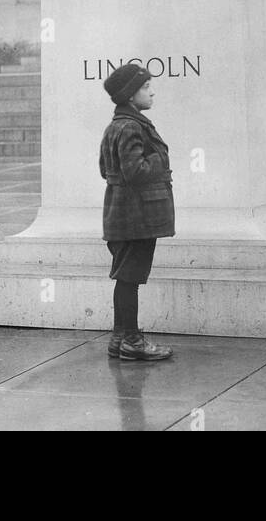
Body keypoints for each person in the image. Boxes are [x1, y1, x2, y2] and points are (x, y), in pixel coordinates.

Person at [99, 63, 175, 361]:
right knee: (130, 277)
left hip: (120, 212)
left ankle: (121, 338)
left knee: (126, 277)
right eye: (145, 87)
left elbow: (105, 169)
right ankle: (131, 340)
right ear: (131, 95)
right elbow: (135, 171)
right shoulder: (132, 126)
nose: (151, 91)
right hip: (137, 216)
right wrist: (158, 160)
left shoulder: (117, 125)